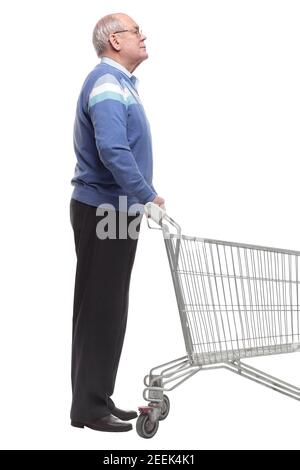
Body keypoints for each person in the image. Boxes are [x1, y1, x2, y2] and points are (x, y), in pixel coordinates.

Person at [69, 12, 164, 433]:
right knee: (101, 306)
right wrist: (147, 195)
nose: (143, 35)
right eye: (134, 31)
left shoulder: (121, 84)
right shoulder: (107, 83)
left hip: (117, 210)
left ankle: (98, 397)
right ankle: (89, 408)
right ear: (112, 41)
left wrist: (141, 197)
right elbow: (112, 149)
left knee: (109, 305)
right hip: (106, 209)